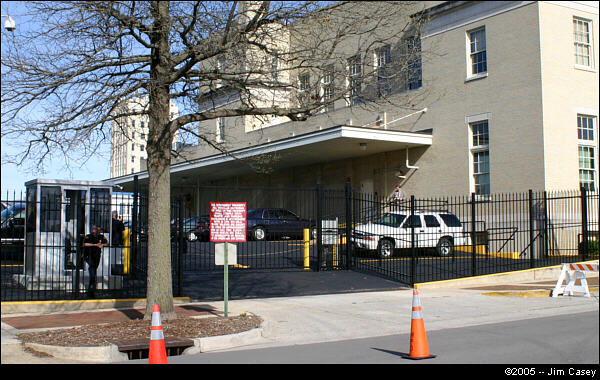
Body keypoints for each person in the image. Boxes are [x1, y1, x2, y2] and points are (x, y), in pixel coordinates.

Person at [82, 226, 108, 298]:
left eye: (99, 230)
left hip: (97, 256)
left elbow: (107, 243)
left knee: (93, 271)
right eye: (97, 230)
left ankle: (92, 288)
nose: (99, 232)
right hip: (89, 256)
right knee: (92, 271)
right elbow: (85, 244)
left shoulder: (101, 237)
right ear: (94, 230)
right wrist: (95, 245)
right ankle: (91, 290)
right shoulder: (88, 236)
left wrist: (102, 245)